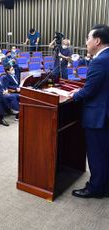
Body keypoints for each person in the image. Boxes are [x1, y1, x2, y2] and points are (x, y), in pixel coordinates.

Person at [69, 24, 109, 199]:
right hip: (105, 112)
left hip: (98, 116)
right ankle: (104, 185)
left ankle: (95, 188)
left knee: (97, 154)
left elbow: (89, 91)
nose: (86, 42)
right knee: (105, 152)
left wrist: (74, 94)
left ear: (97, 41)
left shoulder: (99, 61)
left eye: (88, 38)